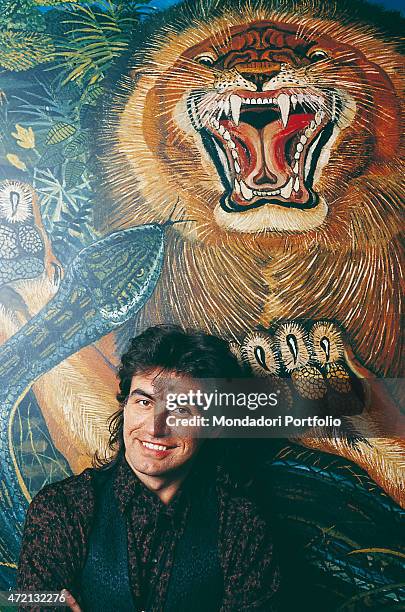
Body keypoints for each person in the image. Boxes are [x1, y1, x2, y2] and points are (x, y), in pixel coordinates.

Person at [17, 324, 280, 611]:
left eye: (181, 410)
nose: (156, 428)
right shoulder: (62, 508)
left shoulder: (241, 523)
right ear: (125, 406)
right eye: (144, 402)